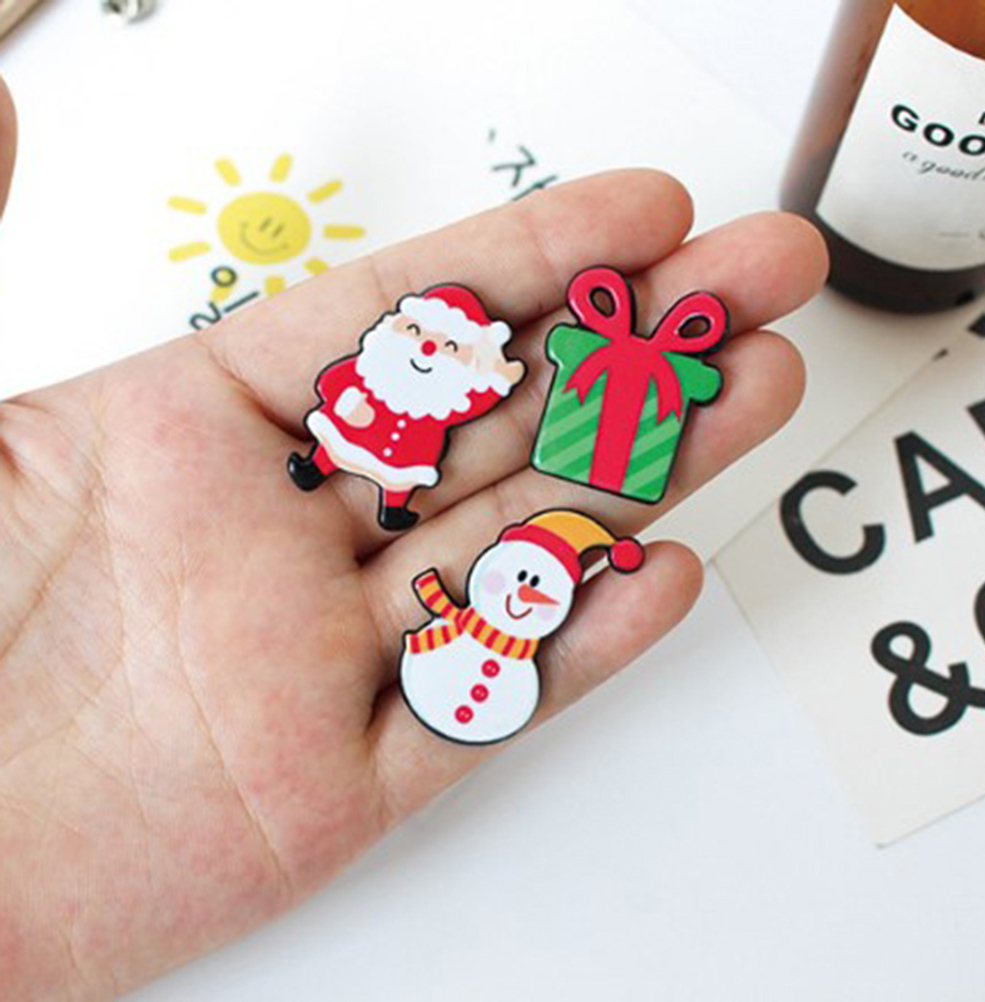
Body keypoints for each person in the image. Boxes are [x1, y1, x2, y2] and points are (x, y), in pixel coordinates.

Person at [0, 73, 827, 999]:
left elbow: (441, 589)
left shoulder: (493, 413)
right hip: (371, 438)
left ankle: (380, 491)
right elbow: (434, 582)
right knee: (355, 448)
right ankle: (339, 468)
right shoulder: (398, 377)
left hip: (416, 467)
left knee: (397, 468)